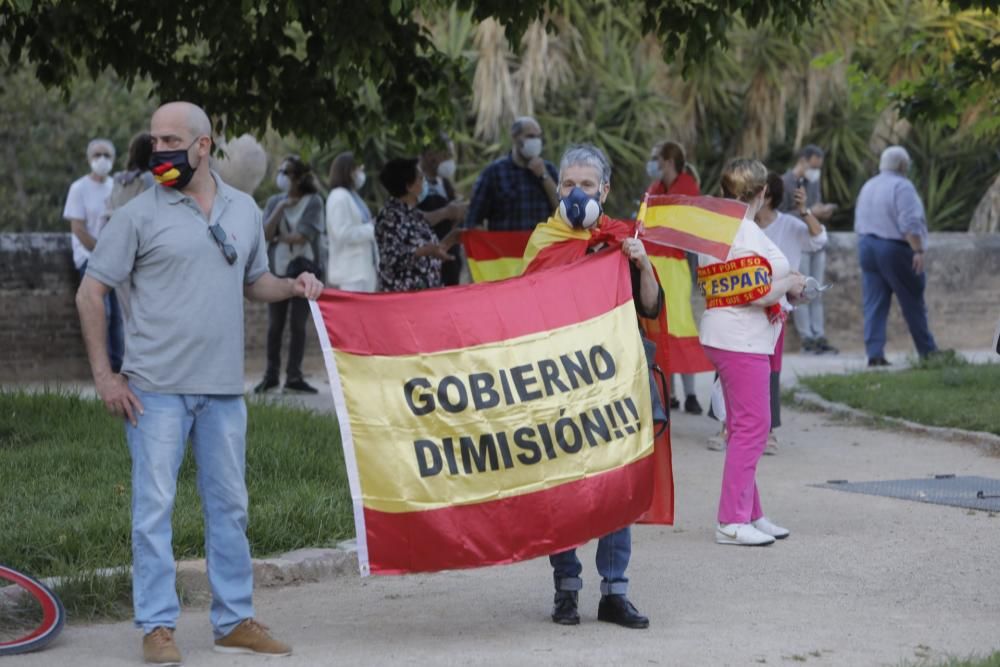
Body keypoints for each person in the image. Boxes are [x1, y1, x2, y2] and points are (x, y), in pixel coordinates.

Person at [76, 101, 321, 665]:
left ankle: (234, 621)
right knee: (153, 509)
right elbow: (91, 292)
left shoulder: (242, 209)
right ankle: (157, 628)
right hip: (154, 390)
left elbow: (254, 280)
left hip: (223, 391)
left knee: (230, 507)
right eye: (155, 142)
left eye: (170, 142)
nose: (159, 151)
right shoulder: (137, 214)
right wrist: (104, 377)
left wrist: (294, 286)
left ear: (203, 145)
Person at [526, 144, 662, 630]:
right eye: (567, 184)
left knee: (616, 483)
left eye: (586, 184)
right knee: (563, 485)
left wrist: (642, 263)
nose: (576, 192)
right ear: (557, 189)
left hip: (615, 385)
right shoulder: (543, 240)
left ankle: (614, 591)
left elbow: (651, 307)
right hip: (561, 385)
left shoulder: (623, 240)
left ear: (604, 190)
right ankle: (566, 587)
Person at [699, 158, 805, 546]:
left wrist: (788, 285)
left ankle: (750, 512)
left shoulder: (717, 229)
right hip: (740, 338)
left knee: (745, 426)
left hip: (728, 334)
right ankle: (731, 520)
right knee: (753, 428)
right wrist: (790, 283)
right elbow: (756, 291)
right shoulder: (744, 232)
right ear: (761, 194)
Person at [755, 172, 828, 453]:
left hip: (776, 309)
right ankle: (726, 425)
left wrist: (805, 210)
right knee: (734, 363)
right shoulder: (744, 227)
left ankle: (769, 429)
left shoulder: (790, 226)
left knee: (770, 370)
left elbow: (819, 239)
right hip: (745, 304)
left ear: (767, 195)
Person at [854, 146, 939, 366]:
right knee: (912, 298)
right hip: (893, 247)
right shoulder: (902, 186)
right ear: (903, 165)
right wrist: (918, 250)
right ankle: (927, 351)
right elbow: (909, 223)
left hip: (866, 244)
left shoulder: (869, 185)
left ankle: (874, 353)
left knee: (874, 301)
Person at [254, 156, 326, 394]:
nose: (281, 176)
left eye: (286, 172)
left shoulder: (314, 202)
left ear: (297, 177)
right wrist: (281, 208)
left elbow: (303, 236)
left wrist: (279, 237)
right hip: (277, 269)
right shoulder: (276, 201)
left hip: (306, 271)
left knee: (298, 325)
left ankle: (294, 375)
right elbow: (265, 233)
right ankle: (271, 375)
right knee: (275, 325)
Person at [645, 140, 705, 414]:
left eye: (656, 158)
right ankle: (667, 395)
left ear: (668, 162)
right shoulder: (654, 188)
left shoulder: (687, 187)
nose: (653, 164)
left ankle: (690, 394)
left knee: (680, 325)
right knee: (658, 330)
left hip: (676, 265)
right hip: (653, 266)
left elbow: (690, 228)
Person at [65, 137, 122, 373]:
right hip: (90, 258)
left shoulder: (116, 187)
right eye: (98, 155)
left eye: (107, 155)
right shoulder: (79, 188)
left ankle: (119, 366)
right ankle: (103, 368)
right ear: (89, 159)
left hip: (116, 260)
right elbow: (78, 228)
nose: (102, 160)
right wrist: (100, 252)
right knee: (102, 312)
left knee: (119, 315)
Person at [780, 145, 838, 354]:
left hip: (815, 243)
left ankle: (819, 334)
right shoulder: (786, 182)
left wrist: (821, 211)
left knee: (817, 291)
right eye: (814, 166)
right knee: (802, 291)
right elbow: (781, 216)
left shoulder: (812, 182)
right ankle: (807, 338)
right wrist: (810, 211)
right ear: (803, 161)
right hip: (799, 244)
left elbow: (814, 206)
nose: (816, 171)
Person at [375, 157, 459, 292]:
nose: (424, 182)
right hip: (404, 298)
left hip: (425, 294)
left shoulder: (413, 214)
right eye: (421, 178)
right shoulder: (390, 217)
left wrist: (450, 240)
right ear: (409, 186)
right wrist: (427, 251)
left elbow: (423, 251)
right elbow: (392, 258)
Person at [464, 116, 559, 231]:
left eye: (538, 137)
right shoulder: (494, 172)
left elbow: (562, 210)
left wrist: (544, 175)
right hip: (505, 247)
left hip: (539, 247)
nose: (536, 141)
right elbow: (474, 219)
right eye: (530, 136)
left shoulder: (549, 169)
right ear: (514, 138)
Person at [418, 133, 468, 286]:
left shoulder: (444, 183)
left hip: (450, 260)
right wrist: (446, 212)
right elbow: (409, 219)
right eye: (446, 155)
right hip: (426, 262)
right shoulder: (416, 184)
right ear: (430, 155)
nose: (449, 160)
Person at [325, 151, 378, 292]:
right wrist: (372, 228)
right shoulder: (339, 197)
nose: (361, 173)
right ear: (348, 171)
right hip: (350, 273)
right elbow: (343, 234)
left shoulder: (351, 195)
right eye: (358, 169)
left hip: (363, 270)